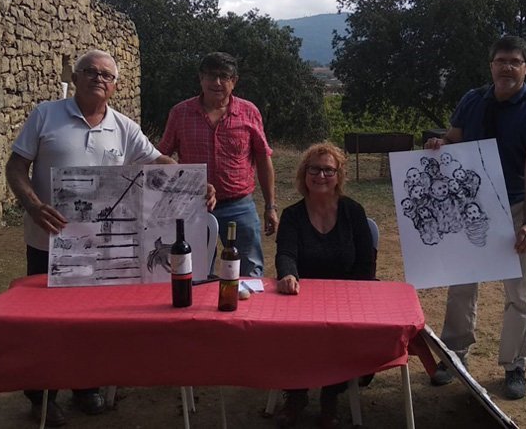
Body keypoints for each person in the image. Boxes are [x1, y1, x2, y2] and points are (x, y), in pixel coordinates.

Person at [6, 49, 215, 426]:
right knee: (43, 322)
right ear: (76, 77)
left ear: (115, 86)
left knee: (90, 321)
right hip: (48, 242)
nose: (98, 79)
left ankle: (85, 386)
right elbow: (16, 167)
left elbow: (156, 161)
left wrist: (195, 183)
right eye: (90, 71)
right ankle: (40, 396)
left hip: (102, 246)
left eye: (106, 75)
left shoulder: (124, 127)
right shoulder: (45, 115)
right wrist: (34, 206)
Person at [424, 36, 526, 400]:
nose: (507, 67)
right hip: (473, 206)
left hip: (515, 206)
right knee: (462, 284)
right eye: (501, 60)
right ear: (491, 66)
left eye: (515, 61)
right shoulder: (472, 101)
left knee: (518, 292)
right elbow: (454, 139)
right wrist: (440, 144)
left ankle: (515, 366)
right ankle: (454, 356)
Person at [273, 142, 375, 428]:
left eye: (328, 170)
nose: (320, 176)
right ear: (304, 174)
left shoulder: (354, 212)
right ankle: (296, 394)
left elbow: (366, 264)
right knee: (291, 331)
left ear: (339, 175)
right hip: (302, 297)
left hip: (348, 296)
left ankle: (331, 395)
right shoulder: (293, 215)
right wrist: (288, 275)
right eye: (314, 169)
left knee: (344, 332)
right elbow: (286, 253)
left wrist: (351, 295)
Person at [158, 52, 278, 278]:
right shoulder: (180, 112)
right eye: (211, 76)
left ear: (234, 81)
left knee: (250, 270)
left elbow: (263, 158)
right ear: (200, 79)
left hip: (240, 206)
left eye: (224, 76)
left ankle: (248, 312)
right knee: (194, 271)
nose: (217, 83)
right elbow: (161, 155)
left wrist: (270, 206)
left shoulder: (249, 112)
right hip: (194, 206)